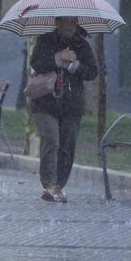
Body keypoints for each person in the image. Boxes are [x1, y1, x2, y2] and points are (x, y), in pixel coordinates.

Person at [28, 16, 98, 203]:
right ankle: (49, 184)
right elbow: (36, 63)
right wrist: (59, 58)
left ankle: (58, 185)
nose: (70, 25)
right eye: (67, 22)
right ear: (58, 22)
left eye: (74, 22)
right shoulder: (45, 40)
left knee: (67, 147)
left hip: (72, 106)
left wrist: (73, 65)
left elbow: (92, 71)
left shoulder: (81, 45)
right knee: (51, 139)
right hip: (45, 102)